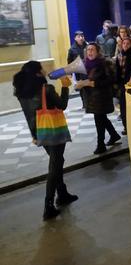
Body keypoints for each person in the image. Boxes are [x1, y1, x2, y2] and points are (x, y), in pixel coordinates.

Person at [13, 61, 78, 220]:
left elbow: (29, 115)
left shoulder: (22, 92)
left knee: (57, 161)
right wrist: (64, 86)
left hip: (40, 132)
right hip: (53, 132)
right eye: (41, 68)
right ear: (37, 73)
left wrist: (34, 135)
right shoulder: (46, 89)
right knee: (55, 165)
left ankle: (62, 193)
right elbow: (62, 105)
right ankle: (48, 206)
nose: (44, 69)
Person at [77, 43, 121, 155]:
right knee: (101, 118)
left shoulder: (105, 62)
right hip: (91, 97)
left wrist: (95, 83)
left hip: (102, 96)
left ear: (98, 51)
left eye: (92, 50)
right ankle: (114, 135)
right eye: (88, 50)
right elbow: (83, 78)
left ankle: (100, 144)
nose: (90, 52)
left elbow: (112, 79)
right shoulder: (85, 63)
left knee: (99, 120)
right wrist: (81, 84)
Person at [115, 38, 131, 135]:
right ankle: (126, 127)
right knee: (123, 107)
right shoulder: (119, 55)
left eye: (128, 43)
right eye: (124, 43)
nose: (125, 45)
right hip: (122, 84)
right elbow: (117, 70)